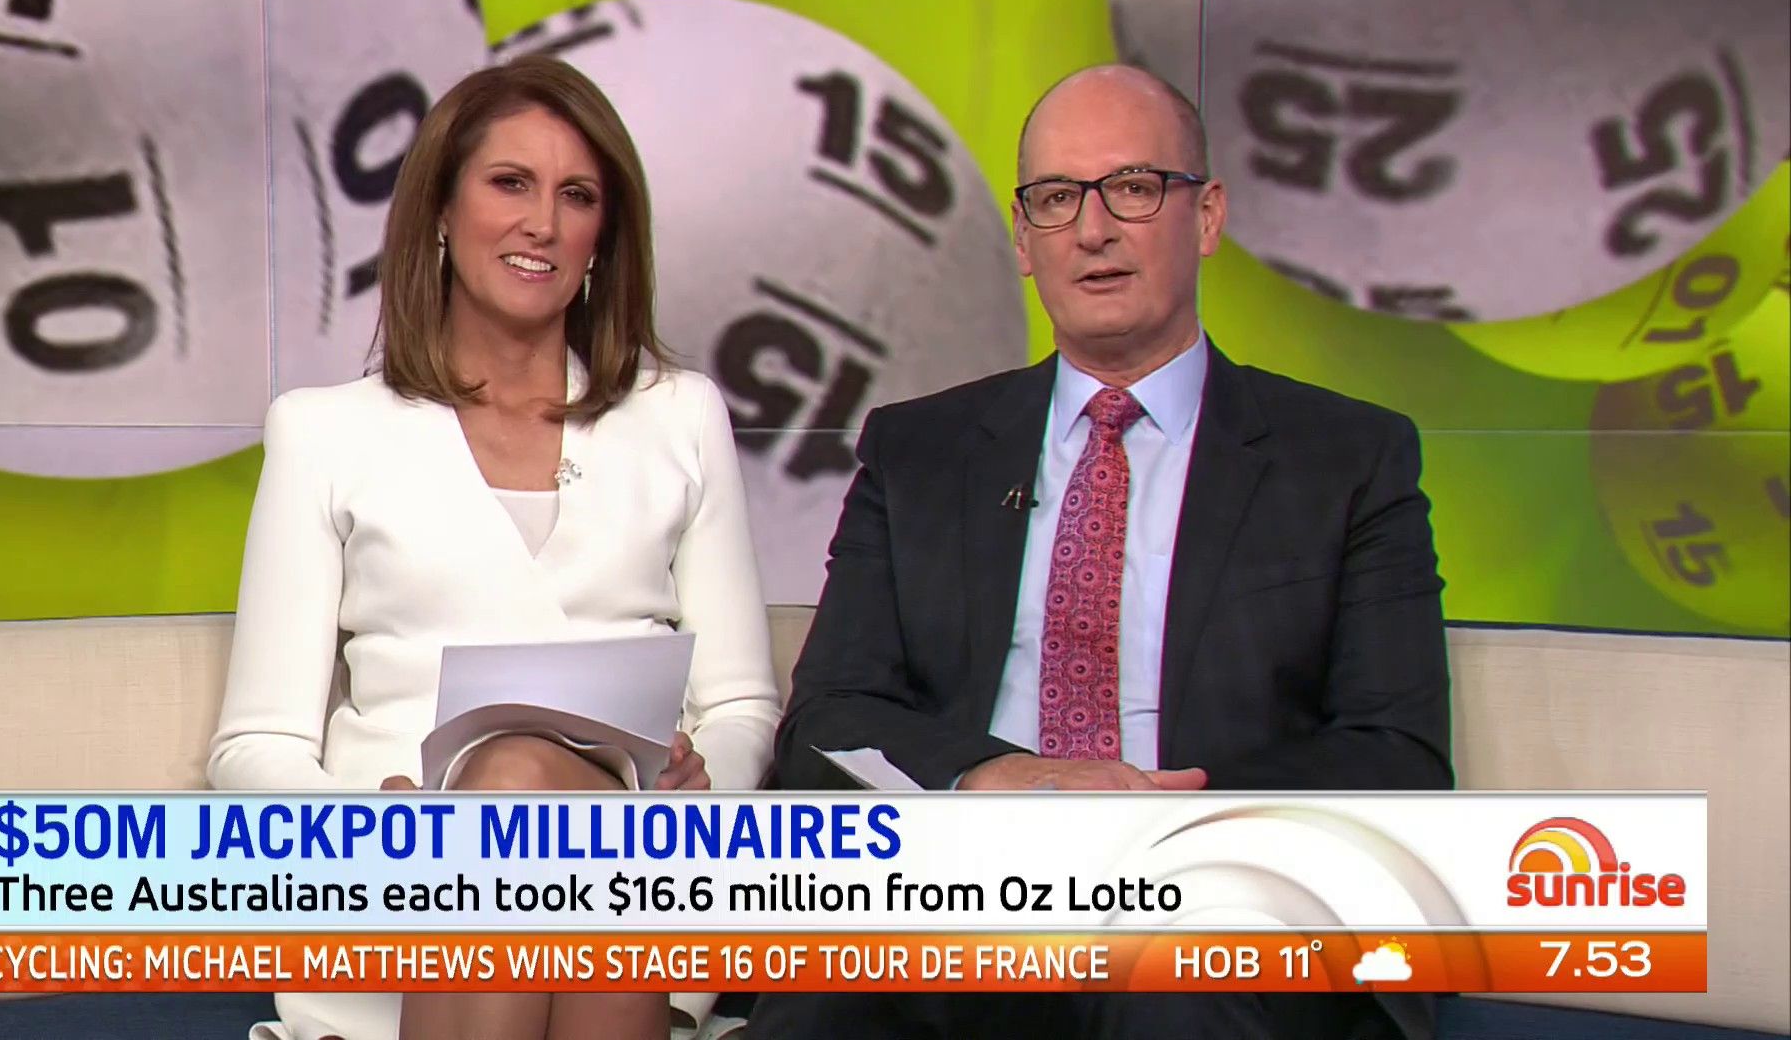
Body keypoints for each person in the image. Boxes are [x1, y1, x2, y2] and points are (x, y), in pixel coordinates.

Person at [748, 64, 1452, 1039]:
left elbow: (1396, 759)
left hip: (1213, 909)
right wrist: (995, 778)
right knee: (826, 1004)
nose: (1092, 229)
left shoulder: (1344, 458)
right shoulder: (919, 452)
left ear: (1206, 216)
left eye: (1132, 187)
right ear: (1023, 239)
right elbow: (828, 722)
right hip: (966, 903)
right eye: (1056, 198)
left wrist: (1160, 832)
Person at [208, 56, 781, 1040]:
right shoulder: (325, 430)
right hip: (405, 886)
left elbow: (740, 707)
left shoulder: (680, 416)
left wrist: (699, 794)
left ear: (604, 235)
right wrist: (371, 835)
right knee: (512, 785)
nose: (542, 224)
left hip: (643, 866)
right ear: (440, 209)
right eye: (510, 183)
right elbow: (255, 745)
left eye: (577, 195)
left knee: (532, 787)